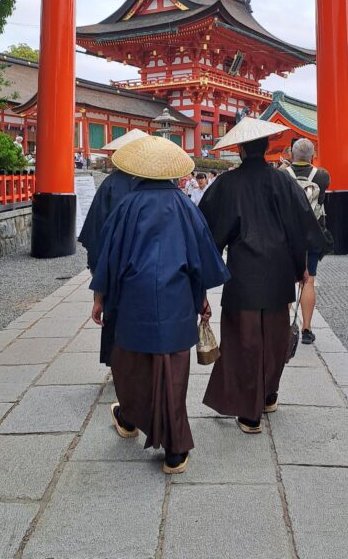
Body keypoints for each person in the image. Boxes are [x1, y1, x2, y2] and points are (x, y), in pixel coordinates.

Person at [89, 136, 229, 473]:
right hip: (177, 296)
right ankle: (175, 451)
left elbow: (107, 257)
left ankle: (130, 416)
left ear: (137, 171)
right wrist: (202, 298)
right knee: (174, 371)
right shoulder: (184, 206)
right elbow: (199, 257)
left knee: (130, 364)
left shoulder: (126, 207)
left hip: (132, 299)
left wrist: (99, 298)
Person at [199, 117, 325, 433]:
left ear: (240, 149)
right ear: (267, 147)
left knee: (244, 340)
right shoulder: (284, 182)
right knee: (274, 336)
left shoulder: (226, 184)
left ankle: (249, 412)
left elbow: (208, 232)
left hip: (243, 270)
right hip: (279, 269)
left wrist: (205, 272)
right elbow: (301, 226)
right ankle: (268, 394)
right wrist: (301, 267)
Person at [78, 129, 148, 365]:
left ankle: (118, 364)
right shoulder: (156, 184)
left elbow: (96, 231)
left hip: (116, 267)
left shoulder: (110, 185)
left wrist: (97, 275)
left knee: (117, 315)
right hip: (149, 267)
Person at [285, 138, 331, 344]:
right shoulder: (322, 176)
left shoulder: (281, 174)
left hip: (287, 235)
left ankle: (285, 324)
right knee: (309, 279)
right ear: (312, 155)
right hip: (313, 234)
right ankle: (306, 329)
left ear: (292, 154)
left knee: (285, 278)